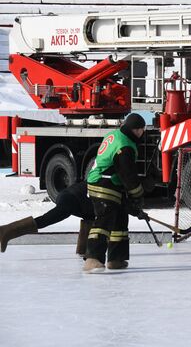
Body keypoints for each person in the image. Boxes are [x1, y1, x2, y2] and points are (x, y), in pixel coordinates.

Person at [84, 113, 148, 273]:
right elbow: (128, 175)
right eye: (142, 130)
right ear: (138, 130)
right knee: (104, 220)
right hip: (103, 183)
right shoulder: (125, 146)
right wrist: (137, 195)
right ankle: (92, 260)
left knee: (119, 217)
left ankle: (116, 259)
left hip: (108, 181)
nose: (142, 133)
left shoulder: (115, 134)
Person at [0, 181, 94, 255]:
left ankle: (83, 250)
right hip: (71, 199)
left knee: (91, 218)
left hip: (73, 198)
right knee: (45, 220)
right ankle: (5, 230)